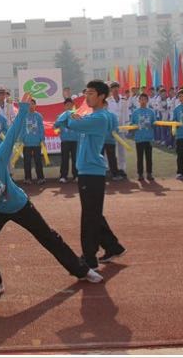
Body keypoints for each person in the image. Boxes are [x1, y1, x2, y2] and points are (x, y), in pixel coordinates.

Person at [0, 94, 102, 299]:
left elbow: (11, 136)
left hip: (19, 205)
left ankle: (83, 270)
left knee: (49, 237)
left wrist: (24, 108)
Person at [66, 80, 126, 270]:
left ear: (101, 96)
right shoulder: (96, 115)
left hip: (91, 171)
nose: (87, 97)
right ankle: (113, 246)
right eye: (86, 93)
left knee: (89, 216)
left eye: (91, 93)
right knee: (93, 213)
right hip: (88, 170)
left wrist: (68, 115)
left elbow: (68, 123)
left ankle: (89, 257)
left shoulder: (99, 118)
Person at [130, 94, 156, 182]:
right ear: (139, 101)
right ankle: (140, 174)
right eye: (141, 99)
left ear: (147, 100)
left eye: (145, 99)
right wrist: (133, 126)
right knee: (139, 157)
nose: (143, 101)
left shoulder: (151, 112)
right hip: (139, 138)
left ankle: (149, 173)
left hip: (148, 138)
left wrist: (152, 125)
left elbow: (154, 123)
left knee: (149, 157)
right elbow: (132, 123)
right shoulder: (135, 112)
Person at [21, 99, 45, 185]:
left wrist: (42, 139)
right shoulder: (24, 116)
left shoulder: (39, 116)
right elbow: (22, 128)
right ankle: (27, 178)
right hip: (26, 143)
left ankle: (41, 178)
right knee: (27, 161)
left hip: (36, 143)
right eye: (29, 104)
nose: (31, 106)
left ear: (35, 105)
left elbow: (42, 129)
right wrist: (22, 138)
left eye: (32, 104)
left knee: (38, 161)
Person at [54, 98, 79, 183]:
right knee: (64, 158)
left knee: (75, 159)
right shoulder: (61, 116)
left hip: (75, 140)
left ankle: (76, 175)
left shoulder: (77, 115)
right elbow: (55, 126)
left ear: (73, 105)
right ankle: (63, 176)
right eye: (67, 105)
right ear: (64, 106)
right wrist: (59, 121)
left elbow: (81, 125)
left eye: (70, 105)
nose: (69, 106)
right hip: (65, 140)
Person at [107, 83, 129, 175]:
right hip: (111, 129)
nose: (115, 90)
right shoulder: (107, 101)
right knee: (110, 150)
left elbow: (126, 114)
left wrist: (127, 127)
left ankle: (122, 168)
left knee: (121, 150)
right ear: (111, 90)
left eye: (116, 88)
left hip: (122, 128)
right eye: (113, 88)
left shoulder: (124, 100)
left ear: (119, 89)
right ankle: (109, 168)